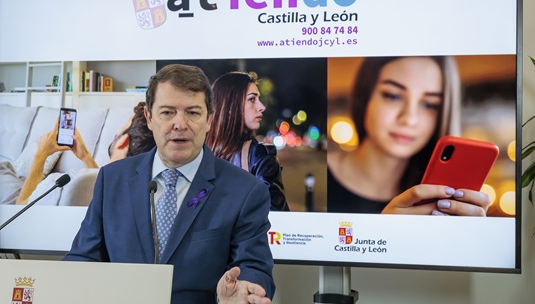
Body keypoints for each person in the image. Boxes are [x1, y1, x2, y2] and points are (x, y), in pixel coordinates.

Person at [65, 64, 275, 304]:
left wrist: (241, 295)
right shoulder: (112, 179)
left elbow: (254, 266)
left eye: (193, 112)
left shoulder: (245, 190)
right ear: (150, 117)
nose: (180, 124)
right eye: (167, 112)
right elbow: (83, 258)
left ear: (209, 119)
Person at [327, 56, 491, 216]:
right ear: (365, 97)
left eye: (430, 104)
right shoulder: (315, 174)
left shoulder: (439, 202)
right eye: (393, 96)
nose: (409, 119)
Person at [15, 102, 155, 205]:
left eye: (124, 125)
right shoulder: (140, 192)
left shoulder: (64, 184)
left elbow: (20, 209)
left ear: (123, 142)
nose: (118, 131)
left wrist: (41, 155)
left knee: (5, 169)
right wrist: (85, 156)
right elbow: (101, 184)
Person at [206, 71, 289, 211]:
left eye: (258, 99)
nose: (262, 107)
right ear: (230, 106)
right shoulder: (260, 156)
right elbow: (276, 217)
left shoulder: (198, 155)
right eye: (252, 99)